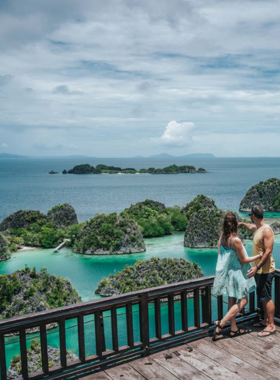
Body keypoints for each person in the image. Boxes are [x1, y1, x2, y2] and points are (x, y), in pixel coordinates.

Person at [212, 212, 259, 341]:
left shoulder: (222, 238)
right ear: (235, 224)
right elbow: (244, 260)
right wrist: (259, 256)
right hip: (238, 274)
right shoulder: (236, 240)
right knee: (244, 301)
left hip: (229, 274)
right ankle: (221, 323)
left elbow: (220, 257)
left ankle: (233, 329)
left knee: (232, 301)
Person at [238, 205, 276, 337]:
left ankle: (271, 325)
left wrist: (257, 267)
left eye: (250, 216)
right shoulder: (258, 228)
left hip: (265, 270)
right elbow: (251, 227)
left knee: (266, 297)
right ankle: (265, 320)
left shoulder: (266, 230)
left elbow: (268, 252)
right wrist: (242, 224)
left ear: (254, 216)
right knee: (262, 296)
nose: (250, 219)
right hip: (260, 271)